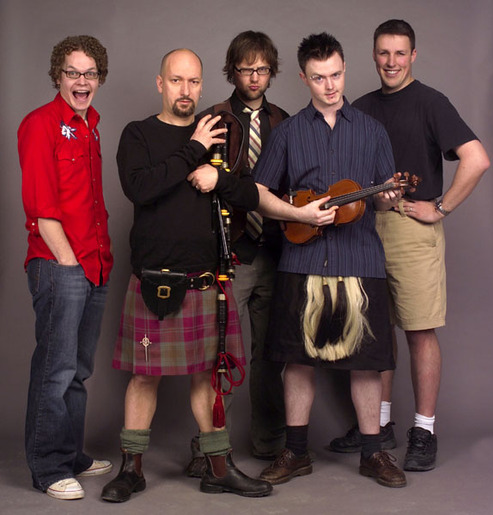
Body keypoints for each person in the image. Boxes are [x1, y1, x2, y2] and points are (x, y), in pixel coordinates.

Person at [100, 48, 272, 502]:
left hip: (205, 280)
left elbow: (242, 192)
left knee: (208, 377)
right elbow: (140, 188)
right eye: (176, 80)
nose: (185, 90)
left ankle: (219, 469)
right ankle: (131, 470)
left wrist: (220, 177)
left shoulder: (218, 134)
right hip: (154, 280)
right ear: (160, 83)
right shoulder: (138, 134)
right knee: (144, 377)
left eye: (194, 81)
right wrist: (194, 148)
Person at [328, 19, 490, 472]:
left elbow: (477, 159)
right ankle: (379, 426)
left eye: (400, 53)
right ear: (373, 54)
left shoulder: (431, 103)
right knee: (374, 331)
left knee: (418, 330)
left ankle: (424, 430)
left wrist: (440, 207)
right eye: (384, 52)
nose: (391, 61)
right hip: (363, 226)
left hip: (411, 229)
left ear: (413, 55)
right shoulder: (360, 107)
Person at [253, 32, 407, 488]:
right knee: (297, 361)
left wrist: (389, 197)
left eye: (336, 75)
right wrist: (298, 214)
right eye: (319, 78)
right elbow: (258, 194)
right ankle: (296, 452)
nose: (330, 85)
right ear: (304, 78)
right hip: (302, 260)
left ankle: (373, 453)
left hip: (360, 259)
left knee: (366, 362)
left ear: (344, 70)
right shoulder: (287, 133)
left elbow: (382, 200)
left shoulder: (372, 131)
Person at [186, 31, 288, 477]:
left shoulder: (284, 120)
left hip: (277, 251)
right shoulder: (214, 118)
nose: (254, 77)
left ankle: (271, 443)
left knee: (271, 354)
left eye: (262, 69)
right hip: (232, 254)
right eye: (246, 69)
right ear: (233, 71)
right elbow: (197, 182)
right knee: (221, 354)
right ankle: (209, 446)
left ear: (272, 71)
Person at [18, 35, 114, 500]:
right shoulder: (40, 124)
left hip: (95, 263)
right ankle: (48, 467)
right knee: (54, 371)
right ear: (58, 75)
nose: (82, 81)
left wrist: (93, 262)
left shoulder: (91, 124)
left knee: (77, 369)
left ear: (99, 79)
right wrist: (68, 262)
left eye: (90, 73)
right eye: (73, 72)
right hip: (61, 265)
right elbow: (41, 207)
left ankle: (71, 455)